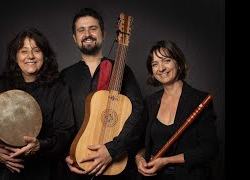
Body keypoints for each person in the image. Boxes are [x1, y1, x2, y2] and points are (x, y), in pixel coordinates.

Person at [0, 27, 74, 180]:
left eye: (36, 50)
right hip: (1, 173)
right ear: (15, 56)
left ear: (45, 56)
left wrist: (40, 145)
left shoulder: (59, 88)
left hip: (43, 173)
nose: (31, 56)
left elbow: (65, 132)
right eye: (24, 51)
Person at [60, 8, 147, 180]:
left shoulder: (122, 71)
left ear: (103, 33)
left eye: (93, 28)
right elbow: (59, 121)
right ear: (74, 37)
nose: (87, 34)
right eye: (81, 30)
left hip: (116, 164)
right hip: (76, 167)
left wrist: (112, 149)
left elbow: (139, 114)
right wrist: (66, 154)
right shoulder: (65, 76)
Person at [135, 40, 219, 180]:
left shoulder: (199, 100)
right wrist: (139, 158)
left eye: (166, 60)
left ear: (178, 63)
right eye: (155, 64)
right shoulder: (150, 102)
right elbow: (142, 144)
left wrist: (167, 160)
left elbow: (209, 149)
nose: (161, 68)